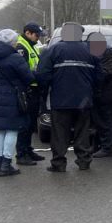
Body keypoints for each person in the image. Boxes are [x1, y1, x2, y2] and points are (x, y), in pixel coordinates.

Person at [36, 22, 100, 172]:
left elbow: (42, 75)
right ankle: (84, 161)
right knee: (82, 132)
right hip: (84, 100)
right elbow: (100, 76)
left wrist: (44, 92)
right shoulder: (91, 51)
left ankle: (58, 163)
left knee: (59, 133)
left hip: (60, 100)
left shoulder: (53, 50)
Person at [0, 29, 34, 177]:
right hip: (12, 98)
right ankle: (6, 165)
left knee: (0, 130)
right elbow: (28, 78)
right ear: (12, 42)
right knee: (12, 130)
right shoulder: (15, 58)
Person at [14, 22, 45, 166]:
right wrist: (38, 76)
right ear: (28, 33)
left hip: (34, 89)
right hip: (28, 90)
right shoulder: (21, 47)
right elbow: (23, 72)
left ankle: (28, 149)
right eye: (36, 35)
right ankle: (21, 154)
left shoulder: (31, 46)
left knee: (31, 123)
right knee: (24, 124)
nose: (38, 38)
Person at [90, 35, 112, 158]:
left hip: (105, 93)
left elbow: (106, 73)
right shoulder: (98, 54)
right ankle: (96, 145)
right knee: (97, 120)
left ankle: (107, 147)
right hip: (97, 93)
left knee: (105, 120)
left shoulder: (108, 54)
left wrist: (93, 74)